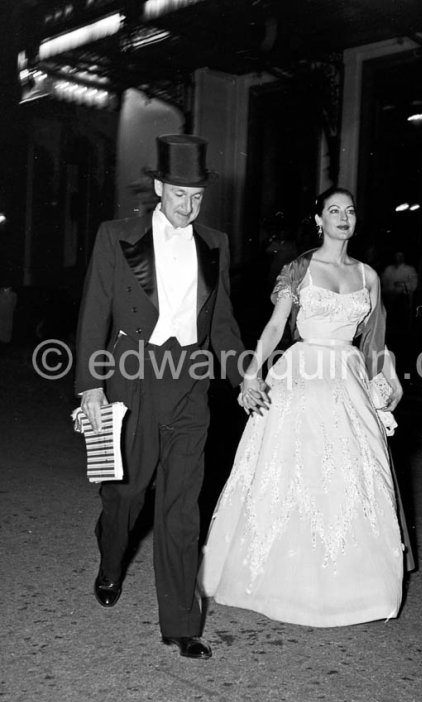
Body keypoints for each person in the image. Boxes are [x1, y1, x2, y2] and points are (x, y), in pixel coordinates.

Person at [199, 186, 414, 627]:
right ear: (319, 220)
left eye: (350, 210)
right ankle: (279, 581)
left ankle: (357, 589)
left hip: (348, 377)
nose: (343, 217)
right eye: (333, 210)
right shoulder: (299, 268)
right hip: (302, 374)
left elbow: (376, 342)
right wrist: (252, 373)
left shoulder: (369, 276)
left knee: (354, 472)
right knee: (292, 470)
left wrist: (389, 378)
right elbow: (276, 326)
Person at [75, 134, 248, 660]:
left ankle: (180, 624)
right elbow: (94, 314)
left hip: (191, 382)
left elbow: (222, 323)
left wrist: (245, 375)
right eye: (179, 196)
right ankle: (111, 560)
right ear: (158, 188)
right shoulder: (116, 236)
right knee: (126, 493)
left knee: (180, 508)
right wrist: (89, 386)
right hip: (133, 377)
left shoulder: (215, 244)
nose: (188, 208)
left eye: (197, 198)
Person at [381, 250, 418, 378]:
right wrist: (392, 289)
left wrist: (401, 287)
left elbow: (413, 284)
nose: (398, 258)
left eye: (401, 256)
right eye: (396, 255)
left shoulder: (409, 269)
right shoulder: (389, 270)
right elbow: (384, 284)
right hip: (390, 302)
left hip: (403, 302)